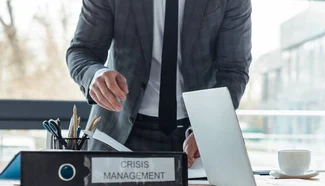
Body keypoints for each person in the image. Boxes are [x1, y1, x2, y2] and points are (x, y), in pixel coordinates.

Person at [66, 0, 251, 167]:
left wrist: (209, 126)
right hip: (121, 131)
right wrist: (95, 75)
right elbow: (82, 51)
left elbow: (233, 69)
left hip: (196, 134)